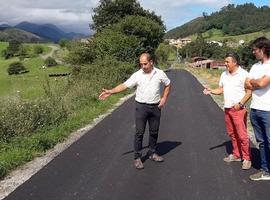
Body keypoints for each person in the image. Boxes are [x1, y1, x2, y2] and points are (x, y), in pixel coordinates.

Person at [99, 53, 171, 169]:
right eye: (141, 64)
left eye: (145, 64)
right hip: (141, 107)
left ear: (151, 62)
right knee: (139, 133)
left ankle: (152, 153)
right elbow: (125, 85)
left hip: (155, 107)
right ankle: (137, 158)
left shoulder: (160, 73)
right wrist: (111, 91)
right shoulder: (137, 75)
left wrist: (164, 98)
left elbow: (168, 84)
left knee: (154, 132)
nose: (143, 66)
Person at [203, 52, 252, 170]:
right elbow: (221, 89)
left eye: (227, 62)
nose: (225, 64)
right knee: (232, 133)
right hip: (227, 108)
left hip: (239, 109)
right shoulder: (224, 74)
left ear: (235, 62)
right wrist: (211, 91)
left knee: (242, 135)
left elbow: (249, 92)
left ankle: (247, 158)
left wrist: (240, 104)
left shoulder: (244, 74)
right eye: (225, 62)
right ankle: (236, 154)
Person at [244, 37, 270, 181]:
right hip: (255, 109)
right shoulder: (255, 66)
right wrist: (256, 82)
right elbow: (246, 84)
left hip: (268, 110)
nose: (253, 52)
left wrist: (255, 82)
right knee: (261, 142)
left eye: (255, 49)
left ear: (263, 49)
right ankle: (266, 171)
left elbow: (260, 83)